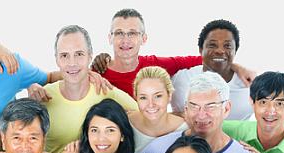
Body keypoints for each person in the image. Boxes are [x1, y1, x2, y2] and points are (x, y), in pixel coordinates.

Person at [90, 10, 254, 97]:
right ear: (110, 38)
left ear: (144, 38)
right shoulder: (98, 71)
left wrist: (236, 66)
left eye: (132, 33)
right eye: (119, 33)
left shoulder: (155, 65)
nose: (125, 40)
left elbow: (205, 58)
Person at [31, 25, 137, 153]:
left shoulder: (103, 90)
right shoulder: (42, 97)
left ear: (90, 56)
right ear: (57, 59)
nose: (72, 63)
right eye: (64, 55)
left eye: (79, 54)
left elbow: (144, 116)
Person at [171, 20, 254, 120]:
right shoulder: (180, 79)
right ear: (201, 50)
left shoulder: (250, 84)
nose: (220, 51)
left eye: (227, 46)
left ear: (235, 51)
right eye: (212, 45)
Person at [129, 66, 187, 153]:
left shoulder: (185, 130)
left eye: (158, 96)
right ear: (136, 98)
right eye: (143, 97)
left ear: (169, 95)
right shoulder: (126, 123)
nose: (151, 104)